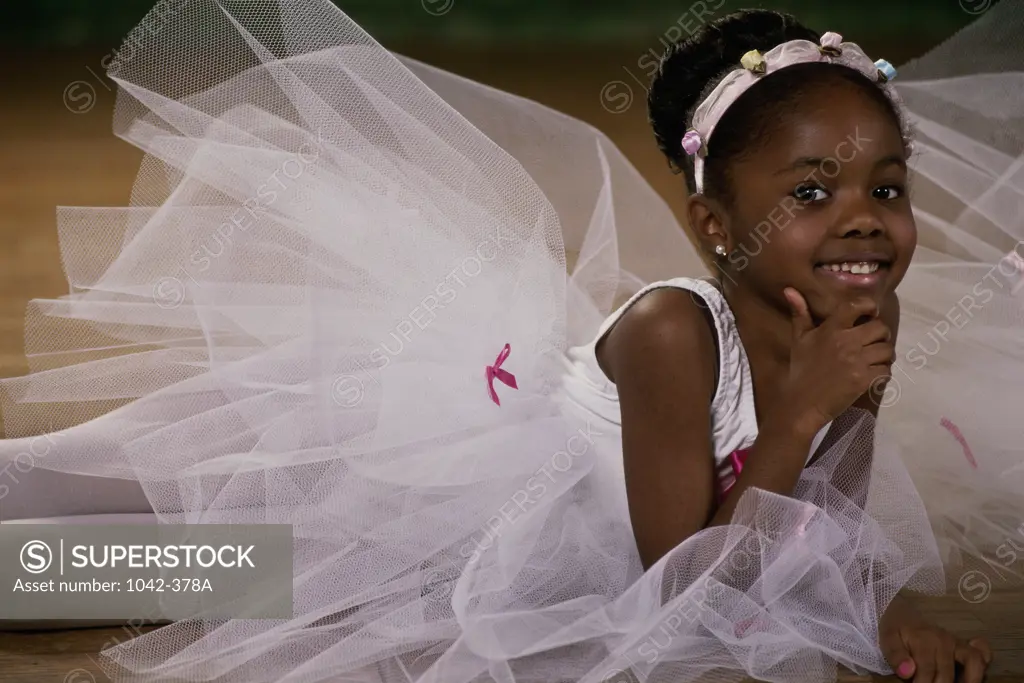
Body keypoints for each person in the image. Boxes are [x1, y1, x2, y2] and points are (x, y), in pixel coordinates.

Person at [0, 1, 1021, 681]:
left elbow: (818, 531)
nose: (859, 217)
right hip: (424, 511)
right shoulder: (677, 331)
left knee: (175, 566)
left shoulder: (855, 330)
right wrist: (799, 408)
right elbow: (681, 578)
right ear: (717, 226)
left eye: (884, 188)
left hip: (498, 556)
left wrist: (882, 618)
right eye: (808, 192)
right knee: (97, 534)